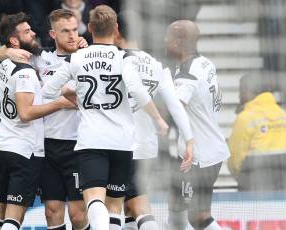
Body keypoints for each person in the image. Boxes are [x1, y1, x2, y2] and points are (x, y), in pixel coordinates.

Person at [42, 5, 168, 230]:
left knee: (95, 201)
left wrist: (72, 92)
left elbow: (47, 91)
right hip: (123, 142)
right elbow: (137, 91)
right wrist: (158, 119)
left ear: (89, 28)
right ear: (116, 28)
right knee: (115, 206)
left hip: (92, 140)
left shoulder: (77, 58)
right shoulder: (125, 58)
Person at [0, 9, 89, 230]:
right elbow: (2, 51)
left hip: (78, 145)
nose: (72, 36)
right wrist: (8, 52)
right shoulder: (41, 59)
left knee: (77, 215)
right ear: (53, 34)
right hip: (48, 147)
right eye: (65, 31)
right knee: (52, 212)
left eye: (75, 30)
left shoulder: (88, 58)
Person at [113, 11, 194, 230]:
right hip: (146, 149)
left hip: (117, 145)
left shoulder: (115, 61)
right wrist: (189, 141)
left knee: (120, 207)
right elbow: (176, 107)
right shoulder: (156, 65)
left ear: (116, 29)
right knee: (130, 207)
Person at [165, 20, 230, 230]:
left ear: (179, 41)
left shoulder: (187, 74)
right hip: (211, 150)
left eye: (169, 37)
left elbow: (174, 109)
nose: (165, 40)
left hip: (198, 158)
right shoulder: (205, 63)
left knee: (195, 216)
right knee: (187, 213)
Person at [228, 72, 286, 191]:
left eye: (240, 91)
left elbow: (235, 160)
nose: (239, 96)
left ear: (247, 90)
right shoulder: (283, 115)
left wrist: (241, 179)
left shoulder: (245, 118)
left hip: (255, 187)